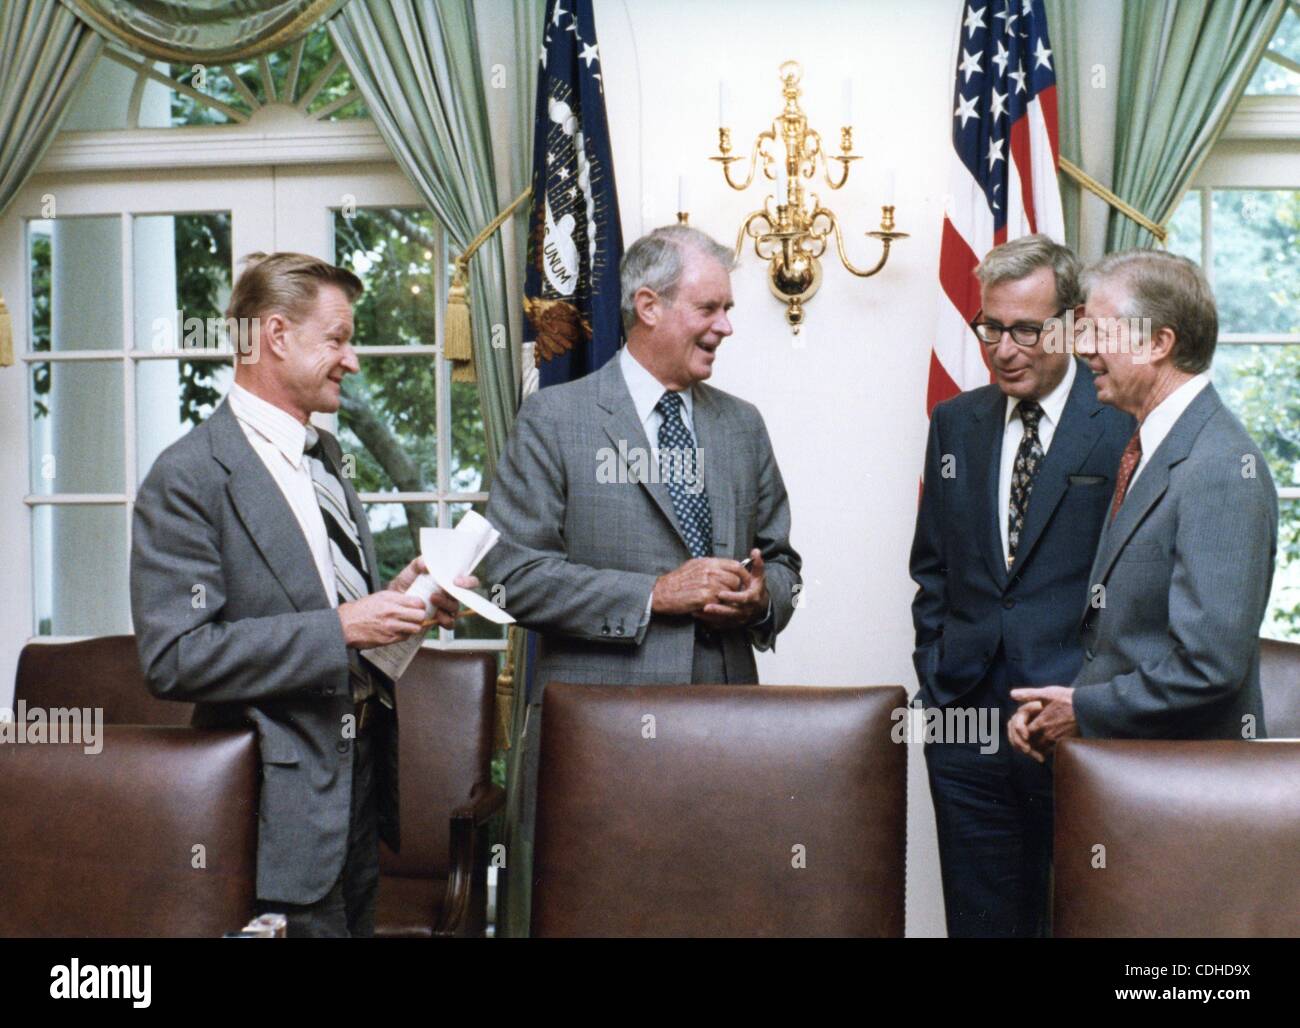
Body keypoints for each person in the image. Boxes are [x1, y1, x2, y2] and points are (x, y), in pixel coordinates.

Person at [130, 252, 471, 938]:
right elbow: (174, 658)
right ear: (277, 336)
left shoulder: (326, 458)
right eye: (339, 340)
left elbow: (339, 623)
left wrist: (401, 604)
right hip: (271, 814)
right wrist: (343, 625)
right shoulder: (188, 477)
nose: (352, 361)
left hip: (358, 794)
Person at [482, 224, 802, 919]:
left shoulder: (742, 425)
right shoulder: (554, 419)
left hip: (728, 731)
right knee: (601, 915)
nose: (727, 326)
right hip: (600, 738)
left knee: (720, 911)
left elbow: (782, 563)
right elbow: (508, 572)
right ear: (649, 306)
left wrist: (758, 599)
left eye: (728, 310)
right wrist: (654, 595)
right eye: (710, 308)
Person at [909, 234, 1133, 938]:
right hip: (964, 720)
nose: (1004, 349)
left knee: (1086, 922)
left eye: (1026, 330)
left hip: (1076, 722)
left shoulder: (1122, 421)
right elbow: (933, 570)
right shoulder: (956, 423)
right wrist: (938, 675)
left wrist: (1093, 701)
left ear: (1070, 323)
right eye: (990, 328)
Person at [1009, 249, 1277, 755]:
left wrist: (1084, 710)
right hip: (1140, 779)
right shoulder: (1157, 447)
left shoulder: (1218, 466)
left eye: (1099, 332)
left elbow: (1208, 665)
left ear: (1158, 342)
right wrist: (1066, 705)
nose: (1083, 348)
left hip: (1185, 791)